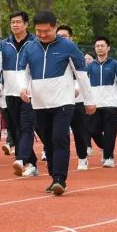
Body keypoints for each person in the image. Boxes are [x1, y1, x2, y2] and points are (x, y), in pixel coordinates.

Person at [20, 11, 95, 196]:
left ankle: (60, 178)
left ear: (55, 27)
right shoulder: (30, 48)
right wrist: (23, 88)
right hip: (39, 103)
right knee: (48, 143)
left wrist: (90, 101)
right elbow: (23, 71)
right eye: (38, 31)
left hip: (63, 102)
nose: (42, 34)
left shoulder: (69, 47)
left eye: (46, 31)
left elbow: (82, 75)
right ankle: (54, 176)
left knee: (59, 139)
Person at [0, 11, 38, 176]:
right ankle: (29, 162)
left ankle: (22, 159)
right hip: (10, 92)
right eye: (12, 22)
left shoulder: (35, 42)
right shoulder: (4, 44)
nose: (15, 25)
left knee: (26, 127)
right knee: (16, 128)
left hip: (28, 93)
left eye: (18, 22)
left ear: (26, 24)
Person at [85, 36, 117, 168]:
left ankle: (109, 157)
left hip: (110, 103)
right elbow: (83, 83)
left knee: (110, 132)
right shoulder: (90, 66)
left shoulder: (115, 65)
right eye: (97, 46)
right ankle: (106, 148)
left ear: (108, 48)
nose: (99, 48)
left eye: (102, 46)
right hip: (95, 104)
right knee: (92, 131)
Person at [56, 25, 93, 170]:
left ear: (71, 37)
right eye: (59, 36)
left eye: (64, 36)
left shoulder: (76, 53)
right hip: (58, 99)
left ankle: (82, 157)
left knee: (79, 130)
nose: (61, 39)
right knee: (58, 131)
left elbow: (82, 76)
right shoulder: (52, 54)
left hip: (76, 100)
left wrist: (77, 89)